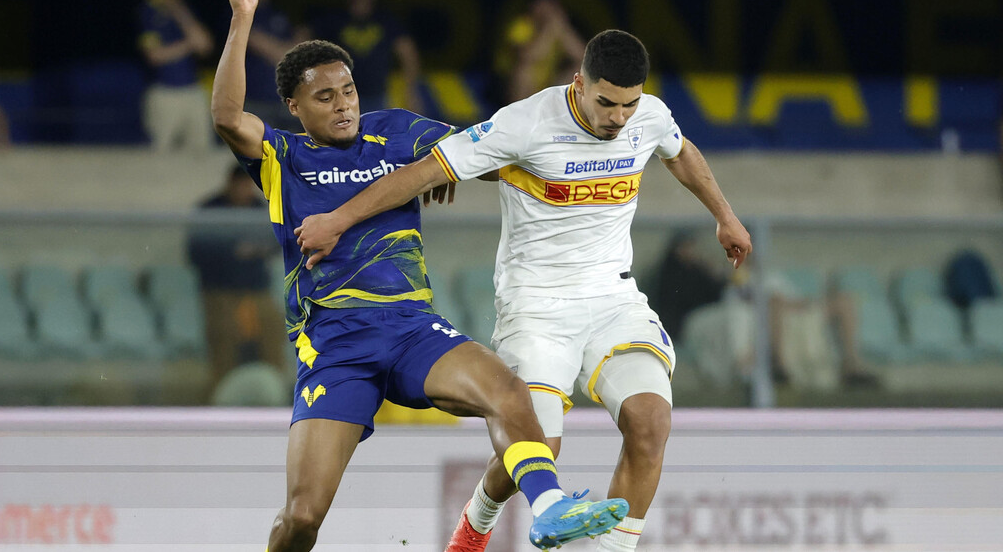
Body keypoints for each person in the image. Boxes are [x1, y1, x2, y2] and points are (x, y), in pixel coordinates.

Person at [212, 0, 628, 552]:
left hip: (411, 328)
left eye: (349, 90)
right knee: (302, 517)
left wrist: (458, 166)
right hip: (335, 344)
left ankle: (549, 507)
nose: (343, 103)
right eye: (325, 97)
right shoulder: (283, 156)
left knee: (509, 392)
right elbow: (227, 116)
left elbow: (485, 154)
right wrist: (243, 18)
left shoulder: (398, 131)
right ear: (295, 108)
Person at [296, 29, 753, 552]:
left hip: (613, 299)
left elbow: (679, 151)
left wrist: (725, 216)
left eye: (628, 104)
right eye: (606, 103)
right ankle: (474, 528)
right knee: (539, 448)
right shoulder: (526, 123)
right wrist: (339, 219)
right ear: (578, 84)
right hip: (535, 307)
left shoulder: (648, 115)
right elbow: (424, 171)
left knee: (650, 422)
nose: (619, 118)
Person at [187, 163, 287, 386]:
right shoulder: (210, 210)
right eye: (241, 185)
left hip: (256, 289)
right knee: (224, 343)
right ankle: (221, 395)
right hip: (221, 291)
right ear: (230, 184)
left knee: (273, 333)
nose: (245, 191)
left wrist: (257, 249)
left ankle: (277, 390)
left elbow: (276, 240)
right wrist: (233, 252)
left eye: (248, 186)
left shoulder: (258, 208)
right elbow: (195, 252)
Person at [302, 0, 424, 114]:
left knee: (375, 126)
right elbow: (303, 36)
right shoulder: (334, 19)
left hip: (376, 95)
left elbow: (408, 53)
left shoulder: (386, 20)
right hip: (339, 94)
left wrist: (412, 90)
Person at [138, 0, 215, 151]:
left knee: (202, 150)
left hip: (193, 90)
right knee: (161, 151)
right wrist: (188, 44)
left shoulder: (185, 10)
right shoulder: (148, 11)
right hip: (164, 92)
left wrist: (177, 10)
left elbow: (205, 46)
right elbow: (155, 56)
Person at [226, 0, 307, 130]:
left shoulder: (279, 12)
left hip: (287, 101)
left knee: (293, 145)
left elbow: (301, 53)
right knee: (258, 146)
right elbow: (285, 55)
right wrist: (287, 50)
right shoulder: (239, 13)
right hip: (255, 101)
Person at [495, 0, 586, 104]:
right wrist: (549, 29)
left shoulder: (557, 27)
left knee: (579, 70)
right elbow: (528, 57)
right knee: (523, 73)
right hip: (507, 85)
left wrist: (563, 27)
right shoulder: (522, 25)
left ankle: (556, 108)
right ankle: (522, 112)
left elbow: (582, 56)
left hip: (546, 85)